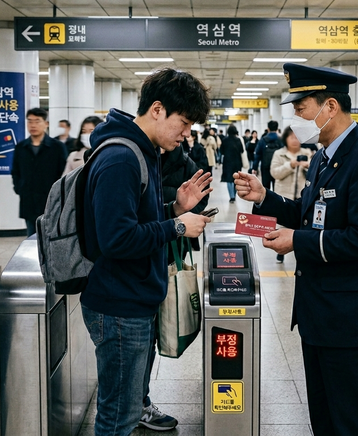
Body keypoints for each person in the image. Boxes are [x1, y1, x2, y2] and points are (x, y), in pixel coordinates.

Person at [234, 63, 358, 435]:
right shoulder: (324, 157)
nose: (296, 119)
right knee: (325, 418)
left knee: (355, 422)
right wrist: (265, 197)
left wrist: (297, 241)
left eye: (301, 108)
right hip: (320, 314)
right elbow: (309, 216)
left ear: (330, 108)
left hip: (351, 319)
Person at [81, 68, 213, 436]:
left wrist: (174, 208)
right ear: (157, 109)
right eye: (184, 123)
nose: (187, 134)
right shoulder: (122, 158)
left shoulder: (144, 152)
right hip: (118, 303)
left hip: (131, 297)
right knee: (118, 415)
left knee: (124, 407)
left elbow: (134, 219)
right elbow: (117, 239)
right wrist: (177, 226)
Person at [11, 108, 68, 236]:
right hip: (28, 199)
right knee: (32, 237)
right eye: (30, 121)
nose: (33, 125)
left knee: (51, 237)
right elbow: (16, 171)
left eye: (37, 121)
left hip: (51, 201)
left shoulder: (57, 147)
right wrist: (19, 188)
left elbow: (63, 172)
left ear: (46, 124)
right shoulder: (21, 147)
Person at [269, 126, 312, 263]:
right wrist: (290, 165)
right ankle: (280, 250)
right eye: (291, 137)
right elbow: (275, 173)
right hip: (284, 194)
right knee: (283, 224)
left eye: (297, 137)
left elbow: (316, 174)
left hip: (303, 196)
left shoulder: (307, 152)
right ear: (285, 138)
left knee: (303, 226)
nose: (295, 140)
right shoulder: (279, 154)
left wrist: (308, 166)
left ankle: (301, 250)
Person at [220, 125, 249, 203]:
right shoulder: (238, 140)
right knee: (236, 179)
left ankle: (231, 197)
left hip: (227, 162)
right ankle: (234, 195)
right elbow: (242, 150)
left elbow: (221, 151)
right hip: (237, 162)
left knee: (229, 180)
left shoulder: (224, 140)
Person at [252, 120, 284, 190]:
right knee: (277, 187)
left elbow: (257, 155)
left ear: (268, 129)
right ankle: (276, 200)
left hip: (265, 167)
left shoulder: (263, 140)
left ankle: (268, 200)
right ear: (277, 129)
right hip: (278, 167)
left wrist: (254, 168)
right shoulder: (281, 140)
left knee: (266, 188)